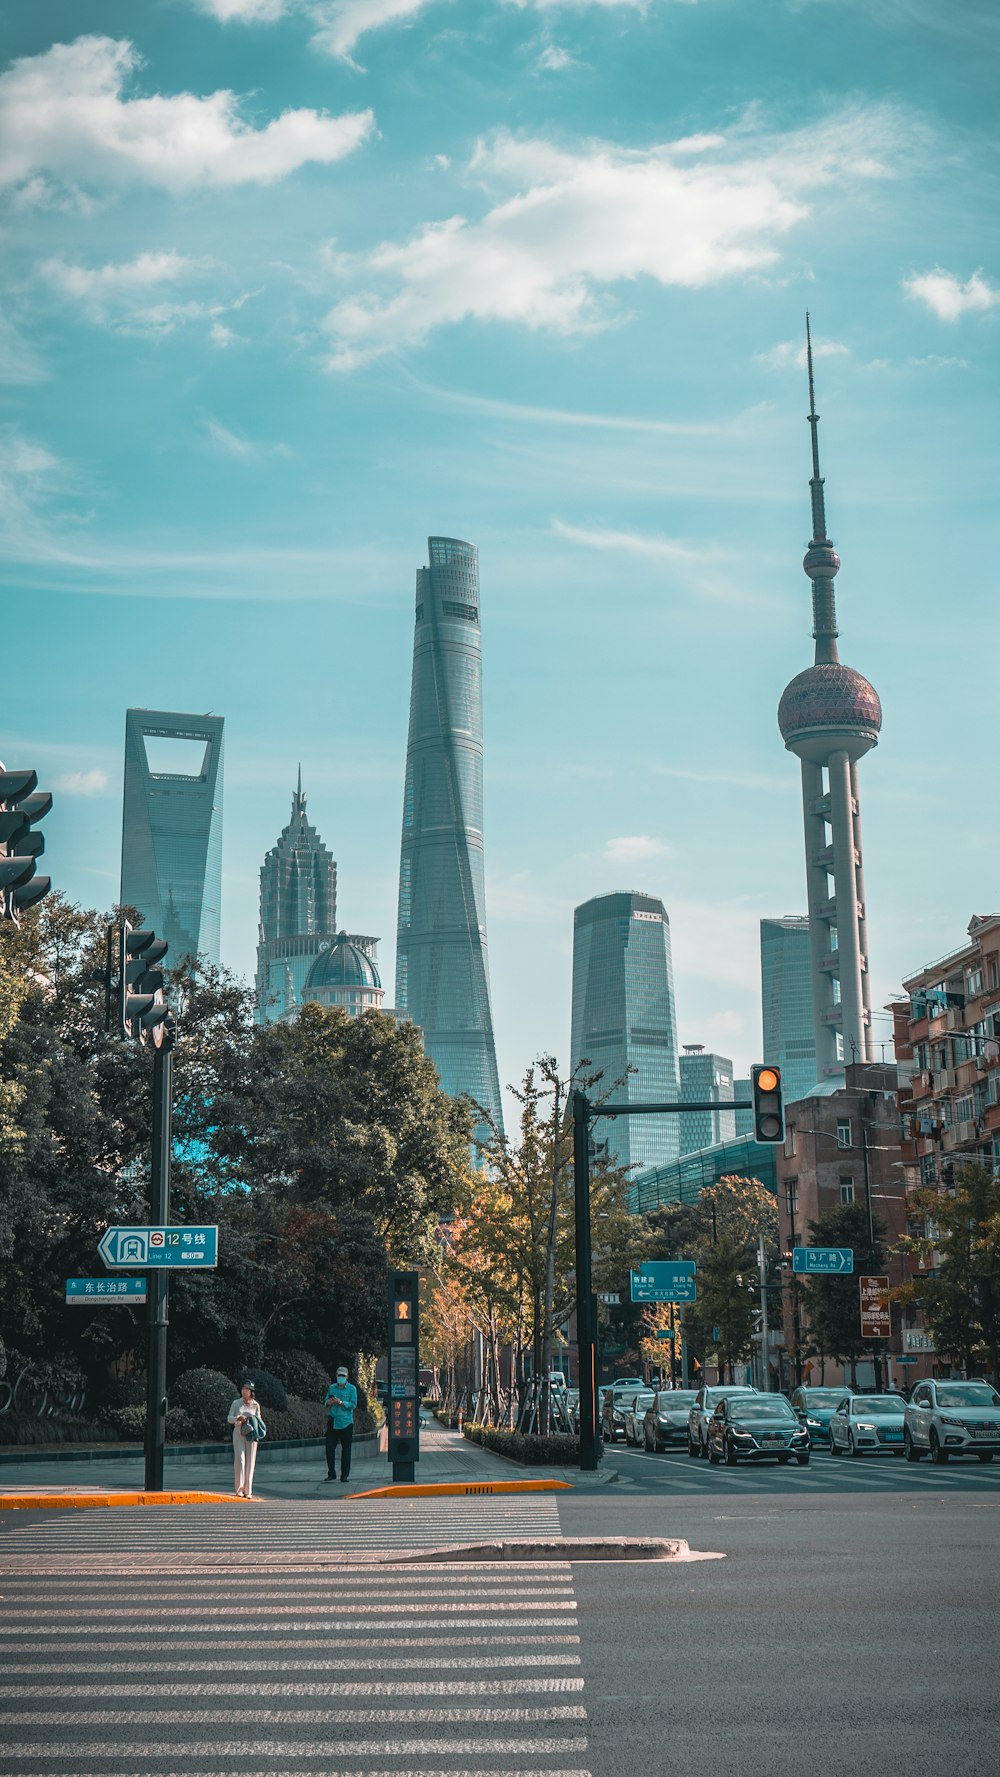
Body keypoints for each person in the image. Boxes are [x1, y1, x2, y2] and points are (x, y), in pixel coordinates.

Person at [227, 1381, 263, 1498]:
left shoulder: (255, 1405)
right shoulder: (236, 1403)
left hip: (252, 1435)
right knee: (240, 1461)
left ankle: (248, 1490)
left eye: (247, 1389)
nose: (244, 1391)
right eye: (243, 1389)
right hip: (238, 1433)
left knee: (250, 1462)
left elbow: (259, 1420)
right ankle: (239, 1489)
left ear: (251, 1392)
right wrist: (238, 1418)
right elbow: (229, 1418)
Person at [324, 1365, 358, 1482]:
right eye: (339, 1375)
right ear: (336, 1376)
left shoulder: (352, 1389)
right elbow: (325, 1401)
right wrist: (329, 1402)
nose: (341, 1378)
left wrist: (341, 1402)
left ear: (347, 1377)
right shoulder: (332, 1388)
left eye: (343, 1376)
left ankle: (344, 1475)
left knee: (346, 1450)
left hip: (346, 1422)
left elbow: (353, 1404)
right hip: (333, 1421)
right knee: (329, 1448)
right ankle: (331, 1473)